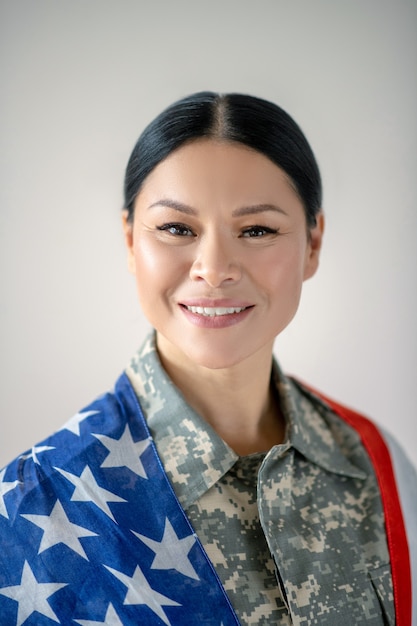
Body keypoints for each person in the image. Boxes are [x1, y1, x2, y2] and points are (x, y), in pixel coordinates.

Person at [0, 92, 415, 626]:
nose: (215, 268)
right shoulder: (37, 503)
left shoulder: (377, 465)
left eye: (257, 230)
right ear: (130, 240)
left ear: (313, 244)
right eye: (177, 229)